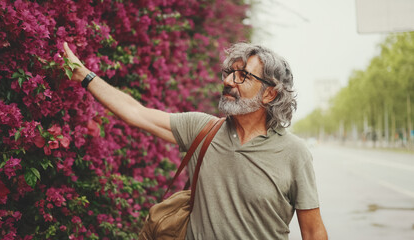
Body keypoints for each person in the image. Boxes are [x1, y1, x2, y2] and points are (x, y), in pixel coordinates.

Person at [63, 42, 328, 240]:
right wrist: (85, 76)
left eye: (242, 75)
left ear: (269, 94)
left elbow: (313, 231)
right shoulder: (202, 130)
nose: (227, 81)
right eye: (227, 73)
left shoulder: (294, 153)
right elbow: (136, 113)